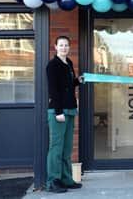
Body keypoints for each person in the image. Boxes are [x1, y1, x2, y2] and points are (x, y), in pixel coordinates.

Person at [46, 35, 84, 193]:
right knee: (56, 148)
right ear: (55, 47)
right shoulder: (52, 65)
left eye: (66, 45)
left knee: (67, 148)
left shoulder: (68, 63)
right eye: (61, 45)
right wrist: (58, 111)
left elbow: (67, 85)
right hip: (58, 111)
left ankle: (66, 179)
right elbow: (53, 90)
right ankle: (53, 181)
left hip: (70, 109)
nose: (64, 48)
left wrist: (77, 81)